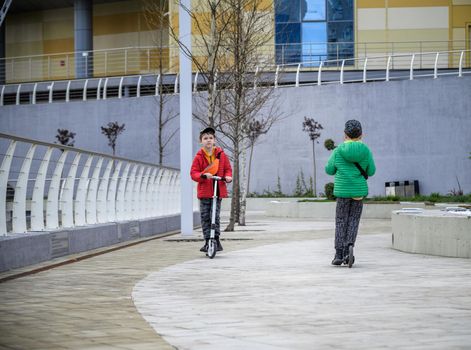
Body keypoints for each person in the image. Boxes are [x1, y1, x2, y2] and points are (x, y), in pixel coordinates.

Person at [325, 120, 376, 265]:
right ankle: (349, 249)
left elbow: (329, 170)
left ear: (345, 135)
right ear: (361, 135)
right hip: (358, 192)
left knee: (341, 221)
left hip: (342, 192)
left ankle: (338, 254)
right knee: (354, 220)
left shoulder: (338, 150)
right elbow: (371, 171)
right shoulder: (365, 151)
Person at [191, 127, 232, 253]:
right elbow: (193, 173)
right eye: (205, 138)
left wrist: (228, 177)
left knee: (215, 215)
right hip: (205, 191)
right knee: (205, 216)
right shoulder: (199, 157)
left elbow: (227, 169)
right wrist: (202, 176)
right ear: (201, 141)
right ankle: (207, 239)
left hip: (217, 190)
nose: (208, 140)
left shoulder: (221, 155)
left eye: (210, 138)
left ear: (214, 140)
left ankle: (216, 239)